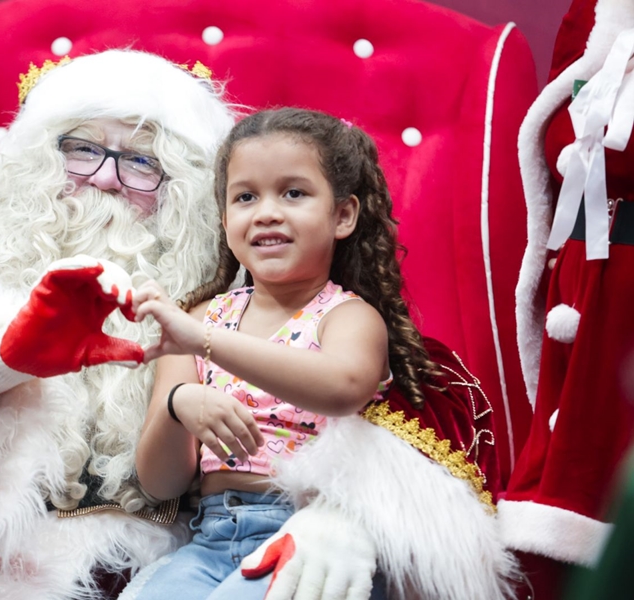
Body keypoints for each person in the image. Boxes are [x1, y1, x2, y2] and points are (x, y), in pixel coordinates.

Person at [0, 49, 518, 600]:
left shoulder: (243, 300)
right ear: (27, 163)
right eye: (82, 149)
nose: (106, 178)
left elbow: (433, 402)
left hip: (190, 555)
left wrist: (351, 515)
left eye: (142, 161)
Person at [122, 109, 518, 600]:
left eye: (294, 193)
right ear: (225, 221)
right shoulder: (200, 318)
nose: (267, 211)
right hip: (209, 539)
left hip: (311, 538)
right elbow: (161, 483)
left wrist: (202, 342)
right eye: (246, 196)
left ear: (343, 215)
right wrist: (180, 404)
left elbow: (341, 388)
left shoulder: (348, 317)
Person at [498, 0, 634, 597]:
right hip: (584, 268)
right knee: (571, 474)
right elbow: (563, 127)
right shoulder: (600, 14)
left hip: (619, 275)